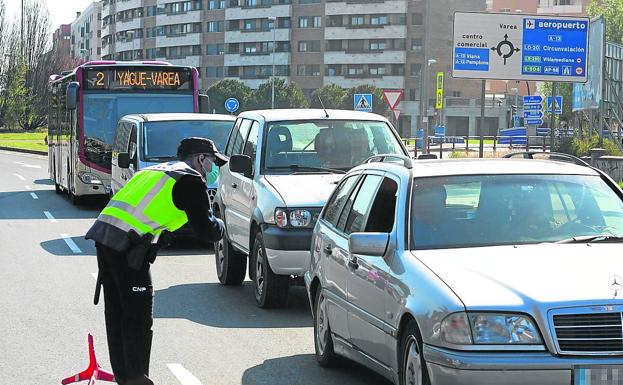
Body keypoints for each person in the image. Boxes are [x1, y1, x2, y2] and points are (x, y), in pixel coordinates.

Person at [85, 137, 226, 385]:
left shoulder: (156, 171)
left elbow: (149, 212)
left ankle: (125, 377)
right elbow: (206, 229)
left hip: (106, 239)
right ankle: (137, 378)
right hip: (126, 247)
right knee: (138, 317)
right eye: (212, 162)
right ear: (200, 159)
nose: (213, 169)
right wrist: (222, 227)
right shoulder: (190, 180)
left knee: (117, 313)